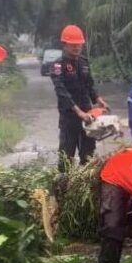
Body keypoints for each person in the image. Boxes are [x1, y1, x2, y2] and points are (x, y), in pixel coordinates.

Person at [51, 25, 108, 172]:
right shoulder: (58, 65)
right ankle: (63, 189)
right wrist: (78, 112)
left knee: (88, 157)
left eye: (79, 45)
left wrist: (98, 99)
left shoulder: (84, 62)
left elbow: (90, 84)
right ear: (65, 44)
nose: (77, 48)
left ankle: (84, 187)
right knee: (66, 158)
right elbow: (61, 92)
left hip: (88, 116)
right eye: (73, 45)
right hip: (69, 118)